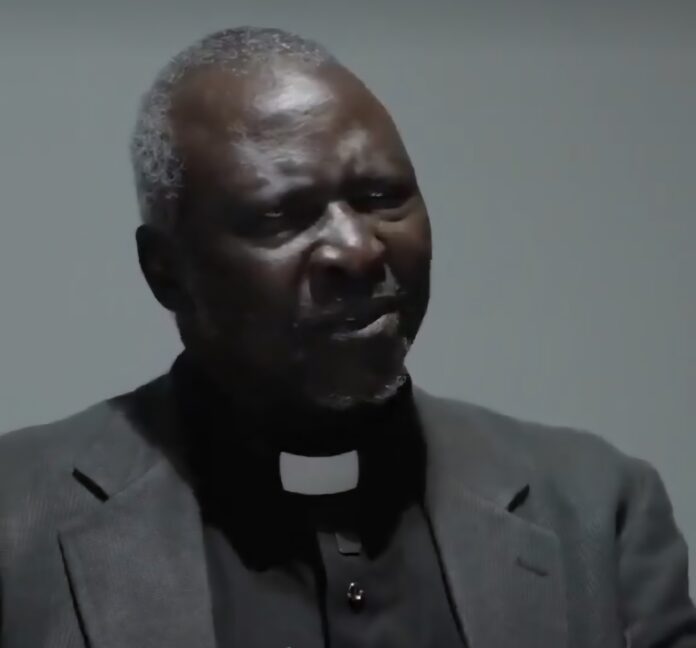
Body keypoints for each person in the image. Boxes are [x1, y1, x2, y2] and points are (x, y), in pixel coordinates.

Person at [0, 26, 694, 648]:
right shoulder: (16, 518)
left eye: (383, 197)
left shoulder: (596, 509)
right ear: (166, 271)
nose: (358, 249)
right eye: (282, 216)